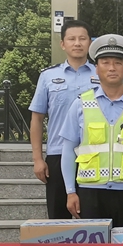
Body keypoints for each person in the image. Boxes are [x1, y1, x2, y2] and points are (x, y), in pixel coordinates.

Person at [59, 34, 123, 228]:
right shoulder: (80, 104)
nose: (112, 68)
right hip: (90, 192)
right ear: (96, 69)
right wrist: (70, 191)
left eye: (118, 63)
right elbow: (68, 149)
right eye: (105, 63)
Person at [29, 19, 98, 219]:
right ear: (63, 44)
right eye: (71, 39)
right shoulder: (48, 76)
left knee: (92, 217)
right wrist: (37, 159)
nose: (77, 43)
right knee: (59, 218)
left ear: (90, 42)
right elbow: (37, 118)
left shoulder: (101, 74)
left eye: (82, 39)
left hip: (94, 155)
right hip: (58, 154)